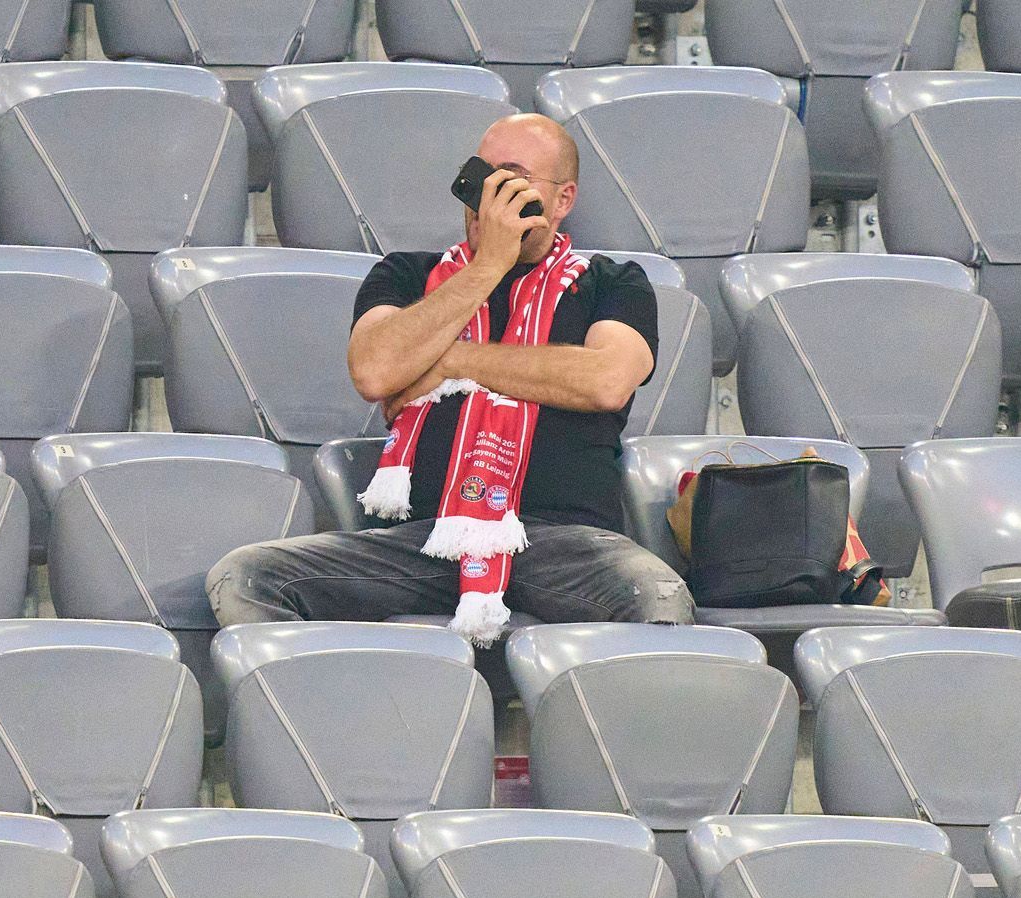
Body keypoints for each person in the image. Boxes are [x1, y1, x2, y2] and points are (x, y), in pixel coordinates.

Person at [206, 113, 695, 640]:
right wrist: (487, 266)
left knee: (660, 599)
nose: (492, 197)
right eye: (483, 177)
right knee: (244, 578)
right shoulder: (407, 274)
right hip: (419, 541)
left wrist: (452, 361)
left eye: (512, 177)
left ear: (563, 199)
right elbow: (374, 370)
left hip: (563, 542)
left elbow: (605, 380)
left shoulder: (612, 282)